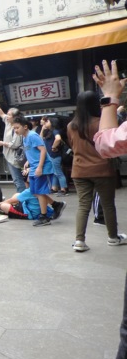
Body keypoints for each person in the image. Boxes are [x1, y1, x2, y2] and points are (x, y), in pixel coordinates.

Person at [91, 59, 127, 359]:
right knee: (105, 206)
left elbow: (105, 142)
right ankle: (112, 235)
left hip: (87, 173)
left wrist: (111, 99)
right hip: (99, 175)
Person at [67, 90, 124, 252]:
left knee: (83, 205)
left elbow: (72, 146)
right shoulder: (101, 123)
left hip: (79, 170)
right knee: (108, 205)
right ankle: (113, 237)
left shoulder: (71, 126)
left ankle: (79, 241)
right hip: (102, 170)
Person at [12, 115, 61, 227]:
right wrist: (28, 162)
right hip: (34, 167)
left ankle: (44, 217)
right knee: (34, 191)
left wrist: (39, 167)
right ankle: (56, 205)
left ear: (25, 127)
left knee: (39, 192)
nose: (15, 130)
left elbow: (43, 150)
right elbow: (32, 151)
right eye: (14, 128)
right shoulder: (24, 137)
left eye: (17, 127)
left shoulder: (32, 136)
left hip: (42, 168)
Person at [0, 97, 27, 193]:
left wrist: (2, 143)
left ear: (15, 117)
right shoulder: (8, 122)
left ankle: (22, 199)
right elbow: (1, 113)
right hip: (9, 156)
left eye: (9, 114)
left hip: (14, 158)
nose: (7, 116)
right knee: (18, 180)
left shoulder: (17, 127)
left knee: (18, 180)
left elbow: (15, 144)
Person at [40, 117, 69, 196]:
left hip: (55, 155)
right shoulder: (50, 131)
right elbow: (40, 139)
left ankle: (63, 189)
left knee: (58, 172)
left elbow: (58, 139)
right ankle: (54, 188)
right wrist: (42, 129)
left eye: (48, 121)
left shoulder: (55, 131)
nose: (46, 123)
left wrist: (53, 147)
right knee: (55, 172)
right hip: (52, 155)